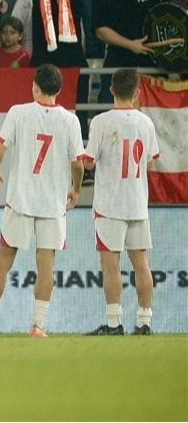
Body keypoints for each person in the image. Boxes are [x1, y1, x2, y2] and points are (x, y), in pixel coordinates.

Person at [0, 64, 84, 338]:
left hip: (20, 198)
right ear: (59, 90)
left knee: (3, 260)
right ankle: (37, 326)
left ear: (35, 86)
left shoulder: (18, 112)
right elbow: (78, 164)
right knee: (46, 264)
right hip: (52, 202)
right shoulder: (70, 120)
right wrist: (75, 189)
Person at [82, 68, 159, 336]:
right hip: (137, 203)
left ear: (111, 90)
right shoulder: (146, 123)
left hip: (110, 205)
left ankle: (115, 323)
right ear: (137, 92)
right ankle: (145, 322)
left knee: (110, 264)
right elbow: (150, 163)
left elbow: (89, 162)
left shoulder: (101, 122)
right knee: (142, 264)